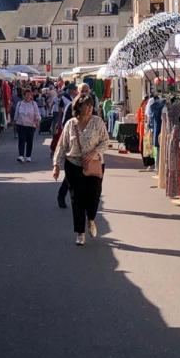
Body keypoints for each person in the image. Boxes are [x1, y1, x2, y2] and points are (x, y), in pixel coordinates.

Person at [53, 94, 109, 246]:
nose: (90, 108)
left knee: (94, 196)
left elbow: (105, 141)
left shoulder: (97, 122)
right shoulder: (71, 124)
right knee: (77, 199)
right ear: (78, 107)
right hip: (74, 165)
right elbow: (62, 145)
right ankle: (80, 232)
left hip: (94, 164)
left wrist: (94, 153)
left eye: (91, 105)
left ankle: (90, 219)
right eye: (87, 105)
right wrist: (57, 165)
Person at [14, 88, 41, 163]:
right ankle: (21, 155)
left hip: (31, 125)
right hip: (21, 124)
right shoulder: (19, 103)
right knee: (21, 140)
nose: (28, 96)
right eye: (26, 95)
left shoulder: (34, 104)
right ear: (24, 95)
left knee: (29, 141)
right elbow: (16, 114)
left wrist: (38, 121)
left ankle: (28, 156)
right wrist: (15, 122)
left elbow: (37, 113)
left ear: (31, 96)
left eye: (29, 95)